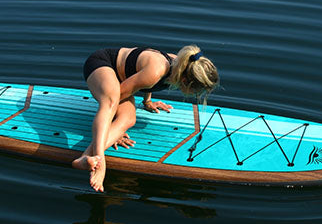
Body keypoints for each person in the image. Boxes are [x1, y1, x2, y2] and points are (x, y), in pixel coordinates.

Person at [75, 45, 219, 192]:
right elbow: (121, 95)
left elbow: (147, 83)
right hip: (102, 65)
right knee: (110, 102)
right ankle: (100, 160)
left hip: (121, 80)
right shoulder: (157, 70)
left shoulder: (181, 65)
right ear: (185, 80)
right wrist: (114, 127)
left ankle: (85, 159)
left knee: (129, 120)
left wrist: (147, 102)